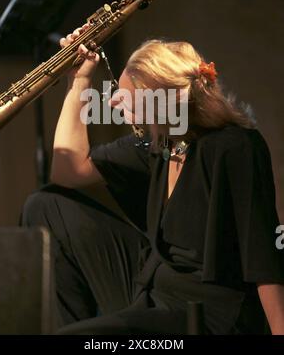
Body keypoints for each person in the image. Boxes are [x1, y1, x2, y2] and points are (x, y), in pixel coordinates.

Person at [22, 24, 284, 335]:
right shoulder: (160, 143)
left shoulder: (234, 146)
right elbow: (67, 170)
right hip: (154, 290)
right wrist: (79, 80)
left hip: (208, 312)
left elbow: (262, 255)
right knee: (46, 205)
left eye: (126, 94)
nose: (114, 102)